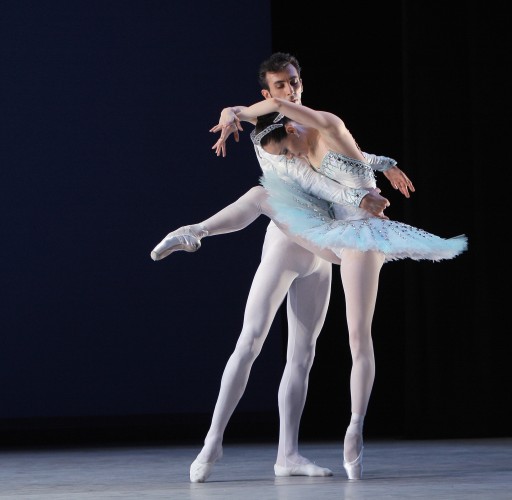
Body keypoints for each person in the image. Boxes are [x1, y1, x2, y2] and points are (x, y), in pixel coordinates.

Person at [151, 52, 414, 482]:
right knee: (250, 339)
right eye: (280, 87)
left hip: (322, 242)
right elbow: (315, 181)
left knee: (303, 354)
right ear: (267, 94)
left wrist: (386, 164)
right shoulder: (269, 137)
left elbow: (349, 156)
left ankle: (287, 455)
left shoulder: (311, 125)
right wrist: (231, 111)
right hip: (287, 240)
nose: (289, 91)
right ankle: (212, 443)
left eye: (293, 82)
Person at [208, 96, 467, 480]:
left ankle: (354, 428)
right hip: (331, 235)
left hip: (363, 231)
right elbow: (361, 160)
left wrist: (242, 112)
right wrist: (389, 164)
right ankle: (199, 231)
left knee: (358, 337)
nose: (289, 158)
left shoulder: (327, 128)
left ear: (293, 127)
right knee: (263, 201)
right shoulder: (300, 152)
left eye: (288, 149)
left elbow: (347, 156)